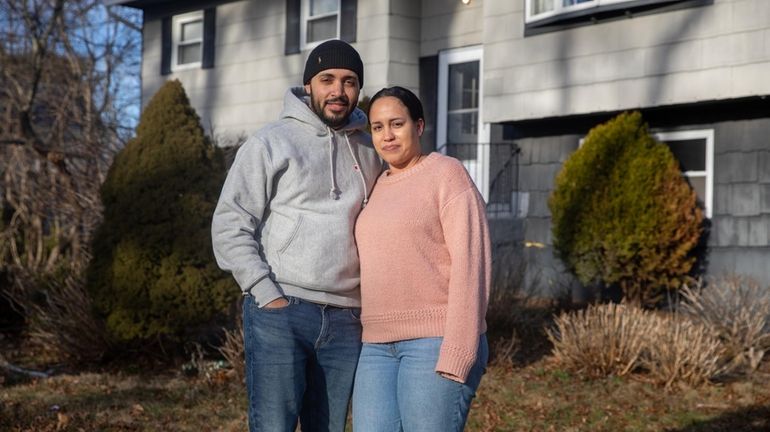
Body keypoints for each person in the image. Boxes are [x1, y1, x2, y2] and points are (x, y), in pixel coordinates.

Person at [211, 40, 381, 432]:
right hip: (282, 310)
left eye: (349, 81)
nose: (338, 91)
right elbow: (230, 221)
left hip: (347, 318)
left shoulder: (371, 148)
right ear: (309, 86)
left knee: (329, 427)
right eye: (327, 79)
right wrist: (264, 291)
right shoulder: (270, 142)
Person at [352, 86, 491, 432]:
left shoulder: (446, 173)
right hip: (376, 346)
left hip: (435, 341)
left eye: (396, 124)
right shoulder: (375, 184)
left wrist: (459, 350)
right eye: (378, 127)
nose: (387, 135)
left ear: (419, 126)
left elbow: (471, 265)